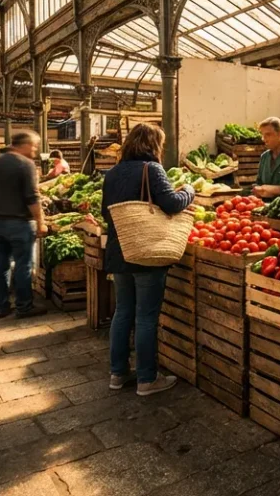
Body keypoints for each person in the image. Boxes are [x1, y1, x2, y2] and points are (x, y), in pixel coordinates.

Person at [101, 124, 196, 396]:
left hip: (121, 252)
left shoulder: (113, 173)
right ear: (153, 145)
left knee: (123, 313)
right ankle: (147, 379)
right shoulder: (151, 169)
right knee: (145, 317)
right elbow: (172, 204)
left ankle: (117, 374)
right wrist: (188, 190)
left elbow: (107, 213)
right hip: (148, 254)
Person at [0, 131, 47, 319]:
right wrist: (41, 222)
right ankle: (24, 306)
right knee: (23, 265)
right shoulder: (25, 164)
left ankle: (2, 306)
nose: (36, 150)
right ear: (25, 145)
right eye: (34, 146)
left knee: (1, 263)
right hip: (18, 223)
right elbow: (31, 197)